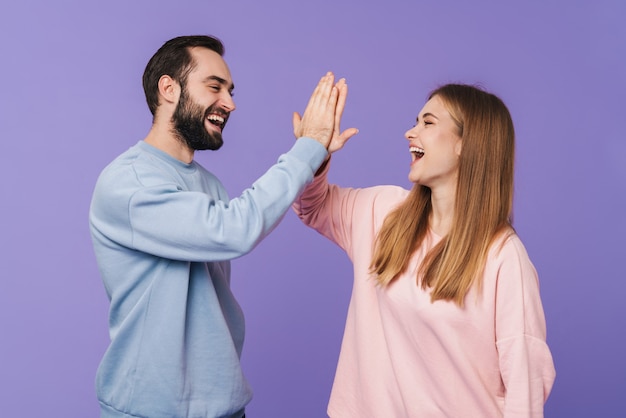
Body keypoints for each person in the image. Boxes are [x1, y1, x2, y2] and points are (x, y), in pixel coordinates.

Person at [89, 34, 348, 418]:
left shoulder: (209, 184)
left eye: (230, 90)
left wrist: (313, 160)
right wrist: (307, 148)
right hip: (150, 410)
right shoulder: (130, 182)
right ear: (168, 89)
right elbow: (234, 229)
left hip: (224, 408)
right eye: (215, 87)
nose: (229, 103)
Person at [293, 83, 556, 417]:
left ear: (466, 143)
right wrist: (313, 152)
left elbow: (525, 382)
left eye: (428, 123)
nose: (409, 132)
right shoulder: (383, 212)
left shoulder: (503, 257)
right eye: (416, 121)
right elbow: (311, 206)